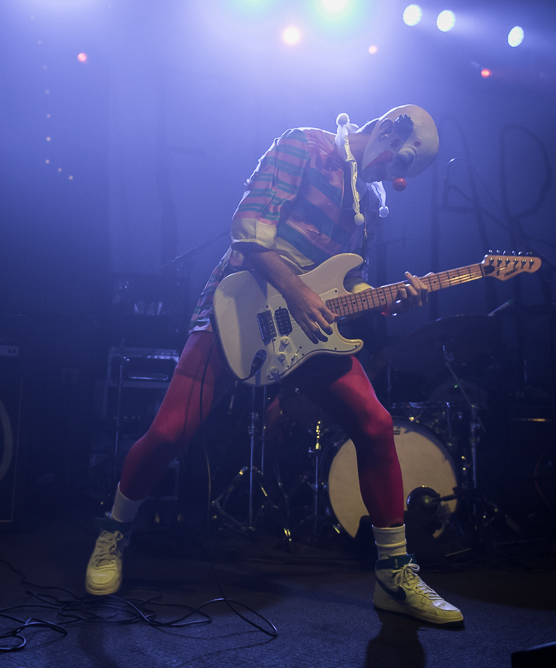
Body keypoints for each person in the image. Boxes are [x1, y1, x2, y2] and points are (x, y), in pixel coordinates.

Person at [85, 105, 464, 626]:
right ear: (386, 129)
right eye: (392, 164)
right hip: (241, 306)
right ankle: (114, 531)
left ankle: (393, 574)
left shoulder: (371, 203)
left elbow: (349, 280)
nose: (386, 176)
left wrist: (388, 300)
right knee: (170, 431)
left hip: (309, 329)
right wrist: (297, 291)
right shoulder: (304, 145)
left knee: (376, 425)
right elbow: (248, 229)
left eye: (400, 174)